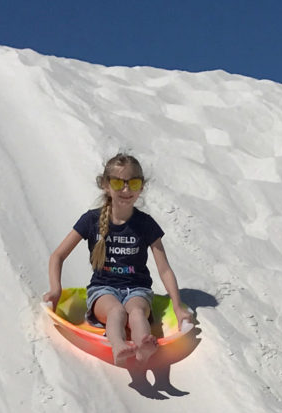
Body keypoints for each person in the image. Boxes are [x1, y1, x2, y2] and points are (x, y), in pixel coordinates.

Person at [44, 153, 191, 371]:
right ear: (105, 185)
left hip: (137, 289)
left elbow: (164, 269)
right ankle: (119, 347)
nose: (126, 190)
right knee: (117, 313)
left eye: (133, 183)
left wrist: (177, 307)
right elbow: (58, 255)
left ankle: (143, 346)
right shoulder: (91, 220)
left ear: (141, 187)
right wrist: (55, 289)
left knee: (137, 312)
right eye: (117, 183)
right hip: (103, 289)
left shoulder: (145, 224)